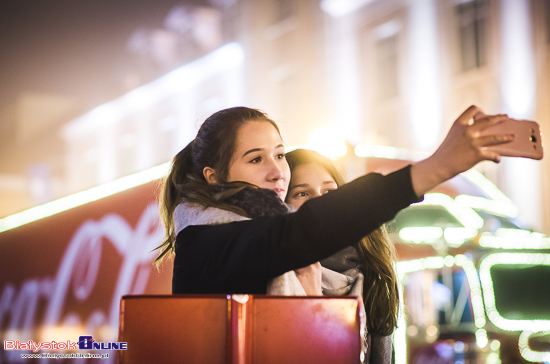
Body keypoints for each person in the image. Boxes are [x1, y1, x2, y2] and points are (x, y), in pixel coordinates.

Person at [155, 106, 513, 297]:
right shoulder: (206, 240)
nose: (278, 172)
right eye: (255, 159)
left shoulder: (278, 238)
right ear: (212, 176)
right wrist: (437, 167)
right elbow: (303, 231)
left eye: (279, 155)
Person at [285, 148, 397, 363]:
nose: (321, 203)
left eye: (329, 192)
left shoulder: (374, 269)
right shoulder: (278, 274)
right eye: (302, 193)